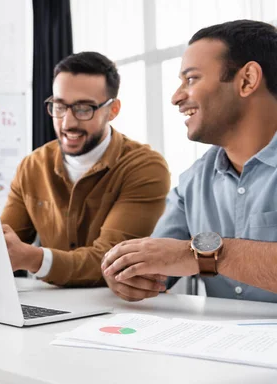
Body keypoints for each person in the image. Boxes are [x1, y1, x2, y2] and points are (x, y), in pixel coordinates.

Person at [102, 20, 277, 303]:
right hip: (219, 343)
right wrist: (128, 273)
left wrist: (200, 254)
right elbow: (156, 264)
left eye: (192, 78)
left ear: (246, 80)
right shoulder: (192, 183)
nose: (176, 97)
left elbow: (183, 253)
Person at [1, 52, 171, 287]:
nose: (68, 122)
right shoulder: (32, 165)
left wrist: (33, 258)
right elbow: (4, 246)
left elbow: (111, 262)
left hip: (118, 310)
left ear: (113, 110)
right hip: (53, 306)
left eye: (83, 109)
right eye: (59, 107)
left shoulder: (144, 167)